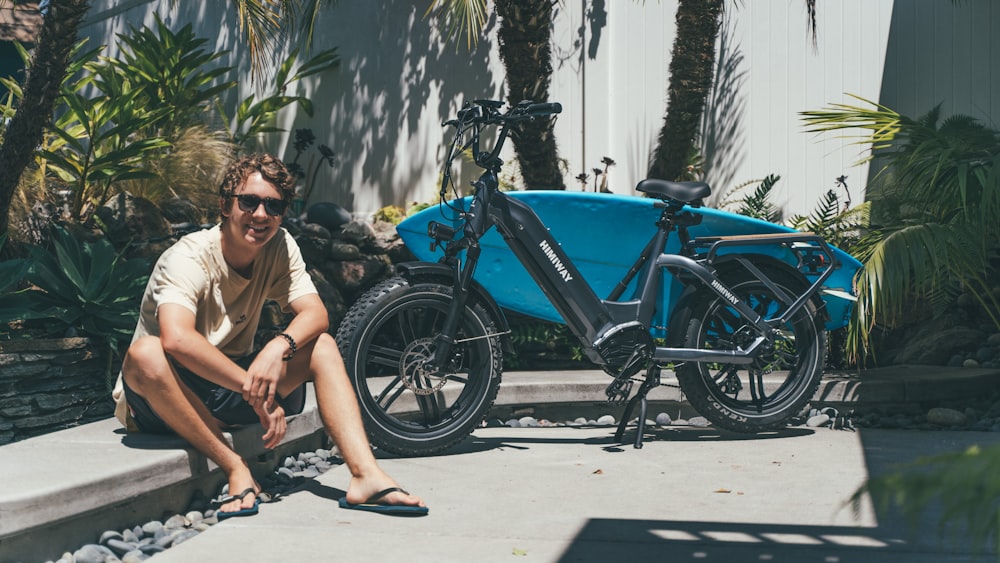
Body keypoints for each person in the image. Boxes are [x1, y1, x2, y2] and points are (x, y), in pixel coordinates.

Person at [111, 153, 426, 518]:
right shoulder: (188, 258)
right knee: (145, 353)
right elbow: (177, 339)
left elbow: (316, 313)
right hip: (166, 396)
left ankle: (366, 476)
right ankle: (235, 467)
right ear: (225, 205)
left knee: (319, 345)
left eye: (273, 206)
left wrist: (279, 346)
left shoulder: (278, 245)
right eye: (249, 201)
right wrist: (253, 388)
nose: (261, 215)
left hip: (226, 390)